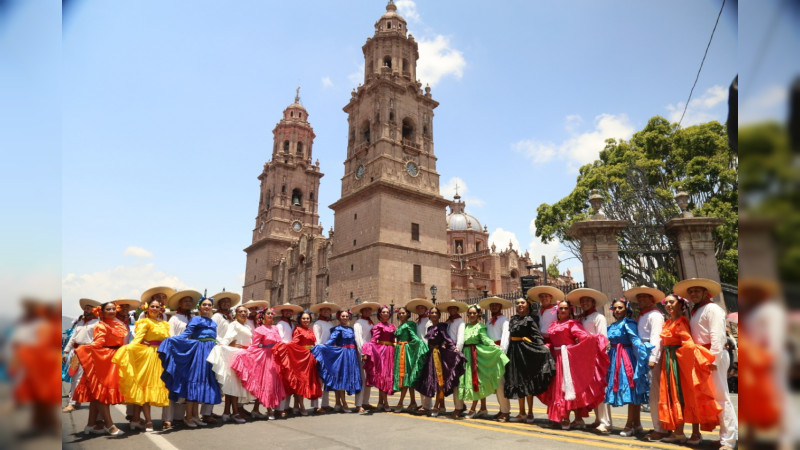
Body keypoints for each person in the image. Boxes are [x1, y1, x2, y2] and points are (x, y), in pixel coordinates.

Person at [673, 278, 738, 449]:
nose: (693, 293)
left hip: (711, 356)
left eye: (697, 291)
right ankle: (725, 437)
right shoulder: (698, 310)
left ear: (705, 292)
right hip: (703, 356)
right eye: (691, 291)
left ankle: (729, 441)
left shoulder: (713, 308)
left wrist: (713, 360)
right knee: (714, 397)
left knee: (721, 397)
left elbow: (718, 337)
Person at [658, 294, 721, 444]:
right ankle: (678, 431)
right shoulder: (668, 323)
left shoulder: (682, 322)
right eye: (666, 303)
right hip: (669, 362)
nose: (668, 305)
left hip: (680, 362)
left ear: (681, 305)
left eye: (672, 302)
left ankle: (695, 433)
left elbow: (688, 343)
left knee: (689, 394)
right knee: (675, 395)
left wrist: (688, 358)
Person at [538, 300, 609, 430]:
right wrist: (547, 346)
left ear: (570, 310)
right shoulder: (553, 324)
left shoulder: (573, 323)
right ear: (557, 310)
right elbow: (552, 342)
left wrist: (595, 339)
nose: (563, 311)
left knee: (569, 386)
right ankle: (560, 416)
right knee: (557, 387)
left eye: (565, 308)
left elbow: (583, 338)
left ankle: (572, 418)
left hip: (568, 358)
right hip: (556, 358)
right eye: (561, 308)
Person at [158, 296, 221, 428]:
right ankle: (188, 417)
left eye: (209, 305)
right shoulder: (196, 319)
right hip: (199, 352)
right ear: (200, 307)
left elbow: (215, 338)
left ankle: (196, 416)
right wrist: (172, 341)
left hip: (211, 353)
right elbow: (186, 333)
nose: (207, 307)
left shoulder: (213, 322)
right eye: (204, 304)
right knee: (195, 381)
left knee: (204, 382)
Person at [112, 297, 171, 431]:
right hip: (148, 356)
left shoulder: (164, 324)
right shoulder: (144, 322)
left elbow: (168, 340)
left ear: (160, 309)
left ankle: (136, 420)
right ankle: (149, 421)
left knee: (151, 388)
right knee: (145, 388)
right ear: (147, 308)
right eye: (152, 307)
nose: (155, 309)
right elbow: (137, 339)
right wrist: (126, 349)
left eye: (157, 307)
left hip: (160, 356)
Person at [73, 301, 130, 436]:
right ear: (102, 312)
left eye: (113, 309)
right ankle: (109, 425)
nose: (111, 311)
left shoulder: (117, 324)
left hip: (113, 359)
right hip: (103, 360)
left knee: (97, 394)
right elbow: (98, 343)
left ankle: (90, 425)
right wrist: (81, 350)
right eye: (108, 309)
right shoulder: (101, 325)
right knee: (101, 394)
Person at [602, 298, 653, 436]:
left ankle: (629, 425)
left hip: (626, 358)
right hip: (614, 358)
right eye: (615, 308)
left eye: (620, 307)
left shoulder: (629, 323)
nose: (617, 310)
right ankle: (637, 423)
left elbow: (635, 339)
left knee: (631, 389)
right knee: (630, 390)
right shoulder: (612, 325)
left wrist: (643, 348)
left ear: (627, 309)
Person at [623, 285, 667, 440]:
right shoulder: (642, 315)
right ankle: (658, 426)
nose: (641, 300)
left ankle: (660, 428)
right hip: (641, 356)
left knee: (654, 394)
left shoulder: (654, 315)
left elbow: (656, 337)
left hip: (649, 356)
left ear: (652, 299)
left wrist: (653, 358)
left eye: (645, 297)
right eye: (639, 297)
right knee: (650, 394)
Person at [504, 296, 556, 424]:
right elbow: (509, 337)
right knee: (517, 380)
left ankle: (530, 412)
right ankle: (521, 412)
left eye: (522, 303)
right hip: (514, 351)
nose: (520, 305)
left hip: (526, 351)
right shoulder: (513, 319)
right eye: (518, 303)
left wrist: (542, 347)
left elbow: (536, 335)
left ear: (528, 305)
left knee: (527, 381)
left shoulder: (530, 320)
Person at [567, 288, 612, 433]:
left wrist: (589, 343)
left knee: (599, 388)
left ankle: (605, 422)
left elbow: (602, 338)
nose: (585, 303)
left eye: (587, 300)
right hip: (584, 359)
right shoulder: (582, 318)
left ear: (593, 302)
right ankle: (598, 419)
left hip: (595, 357)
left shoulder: (599, 317)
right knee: (591, 389)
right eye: (583, 301)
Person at [230, 307, 287, 420]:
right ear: (263, 316)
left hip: (275, 358)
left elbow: (279, 343)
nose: (270, 315)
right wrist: (244, 353)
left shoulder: (275, 328)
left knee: (274, 384)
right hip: (264, 358)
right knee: (267, 384)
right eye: (268, 314)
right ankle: (269, 410)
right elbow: (255, 345)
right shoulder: (259, 329)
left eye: (272, 314)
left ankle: (256, 409)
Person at [456, 304, 509, 420]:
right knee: (471, 381)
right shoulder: (464, 326)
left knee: (476, 381)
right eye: (470, 313)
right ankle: (483, 408)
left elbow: (485, 339)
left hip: (476, 356)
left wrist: (497, 348)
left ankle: (473, 408)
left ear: (478, 314)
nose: (472, 315)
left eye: (474, 313)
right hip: (466, 356)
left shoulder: (481, 327)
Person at [207, 304, 254, 424]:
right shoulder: (234, 325)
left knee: (234, 385)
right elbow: (226, 340)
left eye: (245, 312)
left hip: (244, 357)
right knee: (234, 385)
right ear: (235, 314)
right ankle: (235, 412)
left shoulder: (246, 327)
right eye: (240, 312)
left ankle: (227, 412)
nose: (243, 314)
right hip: (235, 357)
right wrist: (229, 345)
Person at [415, 306, 465, 417]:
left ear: (439, 315)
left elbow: (447, 338)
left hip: (439, 354)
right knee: (429, 379)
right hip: (430, 355)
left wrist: (455, 348)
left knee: (439, 381)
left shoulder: (442, 326)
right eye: (431, 313)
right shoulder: (429, 329)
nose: (433, 315)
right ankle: (438, 406)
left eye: (435, 313)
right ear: (429, 315)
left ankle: (437, 406)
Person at [161, 289, 201, 429]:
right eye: (185, 301)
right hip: (178, 354)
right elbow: (170, 337)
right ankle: (167, 418)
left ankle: (179, 417)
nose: (188, 303)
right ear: (180, 303)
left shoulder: (195, 318)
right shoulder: (174, 318)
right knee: (173, 385)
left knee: (186, 385)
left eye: (190, 301)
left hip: (191, 355)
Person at [311, 309, 362, 412]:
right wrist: (322, 347)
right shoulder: (337, 329)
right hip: (342, 354)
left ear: (349, 317)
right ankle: (344, 404)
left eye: (346, 316)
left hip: (352, 355)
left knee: (349, 378)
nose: (345, 318)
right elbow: (331, 341)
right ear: (339, 317)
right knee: (342, 378)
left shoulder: (351, 329)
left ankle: (338, 403)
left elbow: (355, 342)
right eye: (343, 316)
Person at [274, 311, 322, 417]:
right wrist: (284, 347)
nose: (306, 320)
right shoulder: (297, 329)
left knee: (308, 382)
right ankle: (301, 406)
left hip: (310, 358)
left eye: (308, 318)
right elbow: (294, 343)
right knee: (301, 382)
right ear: (300, 320)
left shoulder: (310, 330)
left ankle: (296, 406)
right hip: (301, 359)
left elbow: (314, 344)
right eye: (304, 318)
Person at [62, 298, 100, 413]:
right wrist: (66, 351)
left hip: (87, 353)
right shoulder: (80, 322)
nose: (86, 310)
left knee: (79, 378)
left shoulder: (98, 323)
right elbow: (73, 338)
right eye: (86, 308)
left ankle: (72, 403)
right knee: (74, 377)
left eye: (89, 308)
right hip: (76, 352)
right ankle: (76, 401)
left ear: (94, 311)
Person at [478, 296, 513, 421]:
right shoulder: (488, 321)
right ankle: (501, 409)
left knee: (500, 383)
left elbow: (505, 337)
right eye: (492, 305)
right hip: (489, 354)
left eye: (496, 305)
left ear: (500, 307)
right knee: (494, 383)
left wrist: (501, 353)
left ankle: (505, 411)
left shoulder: (504, 320)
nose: (494, 307)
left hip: (498, 353)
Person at [392, 306, 427, 413]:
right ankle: (412, 402)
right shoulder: (401, 325)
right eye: (400, 313)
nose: (401, 315)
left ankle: (400, 402)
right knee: (407, 376)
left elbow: (414, 337)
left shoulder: (410, 324)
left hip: (405, 352)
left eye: (403, 313)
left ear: (408, 314)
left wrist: (422, 345)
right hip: (399, 351)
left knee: (405, 376)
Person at [360, 305, 396, 411]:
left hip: (391, 351)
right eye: (383, 312)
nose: (385, 314)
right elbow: (372, 341)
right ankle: (385, 403)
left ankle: (380, 402)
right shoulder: (377, 326)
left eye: (387, 312)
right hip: (381, 352)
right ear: (380, 314)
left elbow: (394, 339)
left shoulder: (393, 326)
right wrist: (367, 352)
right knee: (382, 376)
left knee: (388, 375)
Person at [309, 300, 339, 414]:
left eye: (328, 310)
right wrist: (318, 354)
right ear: (320, 311)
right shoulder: (317, 324)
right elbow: (316, 340)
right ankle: (317, 405)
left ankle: (325, 404)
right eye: (324, 310)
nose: (326, 311)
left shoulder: (330, 323)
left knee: (327, 379)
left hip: (329, 352)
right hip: (321, 353)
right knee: (320, 380)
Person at [274, 302, 302, 417]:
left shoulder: (291, 324)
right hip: (284, 353)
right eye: (287, 311)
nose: (289, 313)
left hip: (291, 353)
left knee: (290, 381)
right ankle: (279, 408)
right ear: (282, 312)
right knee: (283, 381)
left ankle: (285, 406)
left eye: (290, 311)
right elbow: (279, 339)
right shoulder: (280, 324)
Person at [407, 297, 435, 414]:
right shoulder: (418, 322)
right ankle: (424, 404)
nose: (420, 309)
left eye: (422, 307)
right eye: (418, 308)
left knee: (426, 378)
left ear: (425, 309)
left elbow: (429, 337)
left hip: (426, 351)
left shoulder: (428, 321)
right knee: (420, 378)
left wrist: (427, 350)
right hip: (418, 352)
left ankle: (427, 405)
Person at [441, 299, 468, 417]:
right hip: (447, 352)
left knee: (455, 380)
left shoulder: (460, 321)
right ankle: (461, 405)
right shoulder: (448, 322)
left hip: (454, 352)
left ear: (457, 309)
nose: (452, 310)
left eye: (454, 308)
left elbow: (461, 337)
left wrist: (458, 350)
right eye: (450, 308)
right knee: (450, 380)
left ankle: (458, 407)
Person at [352, 301, 380, 414]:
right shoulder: (358, 323)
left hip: (371, 352)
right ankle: (358, 404)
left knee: (369, 377)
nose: (368, 311)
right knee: (362, 377)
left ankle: (365, 401)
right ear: (362, 311)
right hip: (363, 353)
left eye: (369, 310)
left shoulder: (370, 323)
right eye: (366, 310)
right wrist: (362, 353)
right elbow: (358, 339)